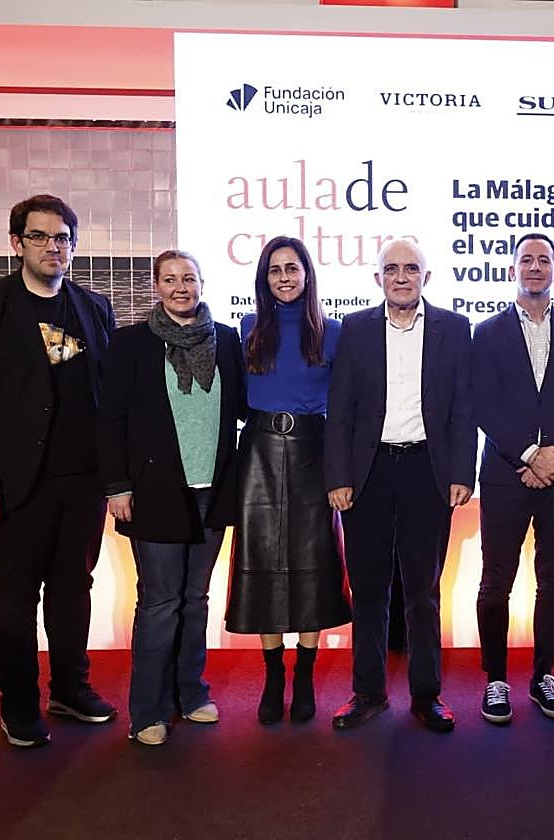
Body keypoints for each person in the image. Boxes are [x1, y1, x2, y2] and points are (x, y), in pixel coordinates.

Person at [0, 194, 117, 747]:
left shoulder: (94, 307)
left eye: (62, 238)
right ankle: (19, 704)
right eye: (39, 236)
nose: (52, 247)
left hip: (81, 482)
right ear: (17, 243)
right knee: (14, 594)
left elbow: (104, 394)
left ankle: (70, 688)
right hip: (10, 486)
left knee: (72, 588)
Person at [325, 238, 476, 733]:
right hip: (368, 474)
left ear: (426, 277)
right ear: (378, 279)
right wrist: (339, 477)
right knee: (368, 588)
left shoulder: (454, 329)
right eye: (392, 269)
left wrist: (461, 473)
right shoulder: (356, 329)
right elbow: (341, 409)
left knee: (422, 589)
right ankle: (366, 693)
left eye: (412, 268)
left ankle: (426, 695)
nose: (402, 277)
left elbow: (462, 409)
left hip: (425, 472)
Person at [97, 249, 245, 745]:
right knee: (159, 602)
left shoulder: (226, 340)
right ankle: (148, 712)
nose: (181, 287)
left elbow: (242, 410)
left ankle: (191, 692)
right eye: (170, 279)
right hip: (156, 492)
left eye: (189, 278)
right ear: (156, 286)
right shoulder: (132, 343)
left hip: (213, 492)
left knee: (195, 599)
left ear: (203, 283)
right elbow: (111, 418)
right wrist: (117, 485)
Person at [471, 233, 554, 725]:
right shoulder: (487, 332)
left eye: (545, 259)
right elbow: (485, 403)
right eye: (527, 259)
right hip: (506, 474)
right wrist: (527, 454)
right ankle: (496, 679)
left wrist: (553, 459)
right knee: (495, 581)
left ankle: (544, 675)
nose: (536, 267)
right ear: (512, 270)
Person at [225, 236, 351, 724]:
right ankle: (273, 674)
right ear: (264, 278)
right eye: (275, 270)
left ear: (307, 275)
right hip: (257, 452)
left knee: (313, 565)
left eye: (292, 268)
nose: (284, 277)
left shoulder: (333, 332)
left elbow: (343, 412)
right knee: (263, 569)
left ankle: (303, 676)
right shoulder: (249, 327)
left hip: (314, 454)